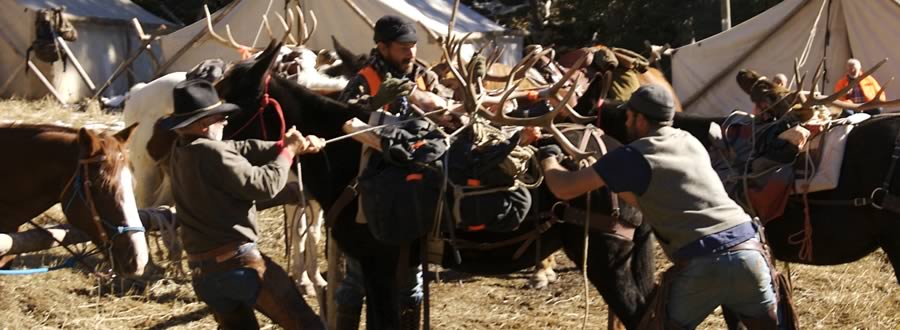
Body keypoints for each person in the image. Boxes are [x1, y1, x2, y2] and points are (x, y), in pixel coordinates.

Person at [537, 84, 778, 329]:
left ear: (640, 119)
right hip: (751, 252)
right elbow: (653, 197)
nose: (626, 122)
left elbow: (563, 188)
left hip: (705, 261)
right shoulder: (689, 141)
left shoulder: (632, 156)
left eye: (628, 116)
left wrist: (547, 154)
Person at [163, 79, 326, 329]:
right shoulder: (213, 154)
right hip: (239, 269)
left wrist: (282, 146)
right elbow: (265, 185)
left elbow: (241, 148)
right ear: (204, 124)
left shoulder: (180, 149)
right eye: (220, 118)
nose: (225, 122)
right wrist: (289, 152)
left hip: (204, 275)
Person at [336, 15, 429, 330]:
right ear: (382, 46)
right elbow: (345, 129)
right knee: (357, 278)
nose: (411, 53)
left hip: (412, 190)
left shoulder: (418, 75)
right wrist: (376, 105)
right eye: (404, 47)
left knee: (411, 277)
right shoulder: (363, 80)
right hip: (370, 192)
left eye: (413, 46)